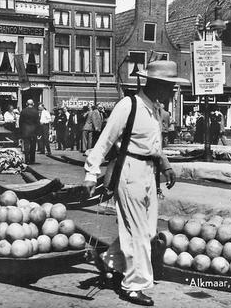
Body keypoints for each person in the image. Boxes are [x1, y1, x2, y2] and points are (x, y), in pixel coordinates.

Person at [83, 60, 181, 306]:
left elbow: (155, 147)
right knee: (136, 231)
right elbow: (105, 140)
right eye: (170, 87)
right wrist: (91, 173)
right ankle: (133, 285)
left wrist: (165, 165)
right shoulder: (129, 105)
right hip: (129, 171)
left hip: (149, 173)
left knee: (147, 231)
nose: (173, 93)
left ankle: (109, 262)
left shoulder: (155, 110)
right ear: (156, 85)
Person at [19, 99, 40, 164]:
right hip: (33, 131)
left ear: (26, 104)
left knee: (26, 145)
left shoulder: (23, 111)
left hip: (26, 130)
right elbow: (38, 122)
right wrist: (38, 132)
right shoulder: (36, 112)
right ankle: (32, 159)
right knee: (33, 145)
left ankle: (27, 159)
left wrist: (21, 131)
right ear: (33, 104)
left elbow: (20, 122)